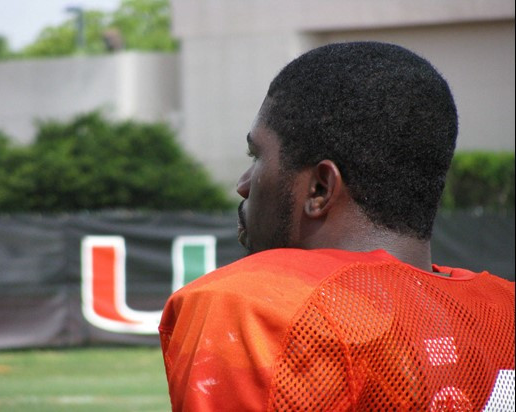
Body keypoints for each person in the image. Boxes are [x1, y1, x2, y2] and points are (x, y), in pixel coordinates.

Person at [159, 42, 515, 411]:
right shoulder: (505, 313)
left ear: (319, 188)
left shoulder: (264, 307)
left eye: (257, 156)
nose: (244, 183)